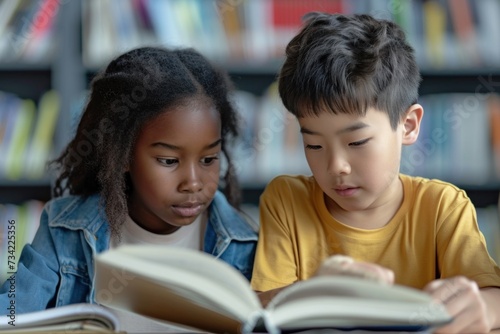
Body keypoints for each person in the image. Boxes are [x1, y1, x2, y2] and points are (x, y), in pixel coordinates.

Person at [251, 12, 500, 333]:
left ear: (408, 126)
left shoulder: (443, 207)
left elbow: (492, 299)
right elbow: (260, 307)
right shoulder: (287, 199)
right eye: (314, 145)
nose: (336, 166)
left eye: (356, 141)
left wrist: (482, 308)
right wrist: (313, 294)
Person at [0, 46, 258, 330]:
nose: (194, 182)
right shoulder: (64, 231)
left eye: (209, 159)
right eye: (169, 161)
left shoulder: (244, 244)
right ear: (120, 155)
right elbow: (11, 315)